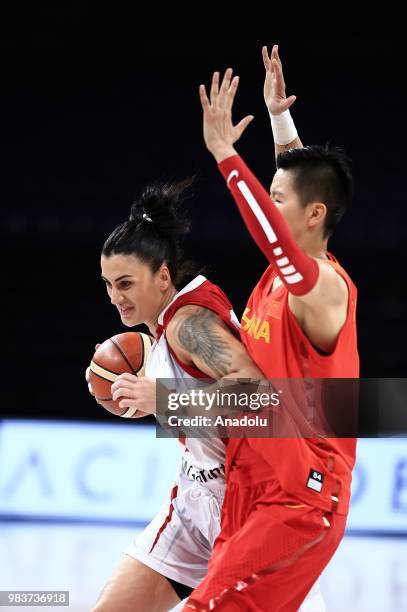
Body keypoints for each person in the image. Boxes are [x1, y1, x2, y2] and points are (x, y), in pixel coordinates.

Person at [182, 58, 359, 611]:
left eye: (280, 200)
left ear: (314, 216)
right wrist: (282, 125)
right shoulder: (288, 269)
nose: (272, 204)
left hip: (301, 496)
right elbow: (297, 191)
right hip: (256, 480)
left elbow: (278, 233)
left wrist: (226, 157)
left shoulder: (322, 287)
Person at [89, 178, 264, 612]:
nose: (115, 298)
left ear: (163, 276)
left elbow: (259, 396)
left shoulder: (190, 323)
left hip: (244, 507)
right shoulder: (164, 325)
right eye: (108, 284)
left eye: (126, 283)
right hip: (193, 501)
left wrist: (162, 399)